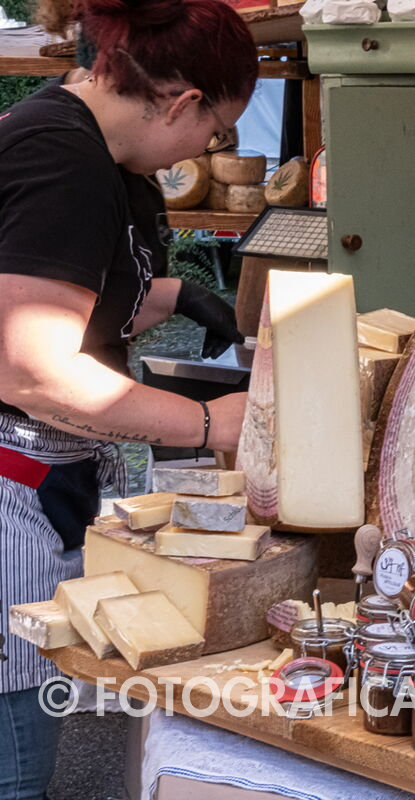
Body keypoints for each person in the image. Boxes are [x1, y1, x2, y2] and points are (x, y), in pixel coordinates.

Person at [0, 1, 258, 796]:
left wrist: (180, 296)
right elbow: (32, 371)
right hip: (11, 479)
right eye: (215, 133)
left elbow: (84, 293)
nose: (206, 150)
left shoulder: (106, 158)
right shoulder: (63, 161)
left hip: (50, 477)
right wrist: (207, 421)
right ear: (183, 104)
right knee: (16, 764)